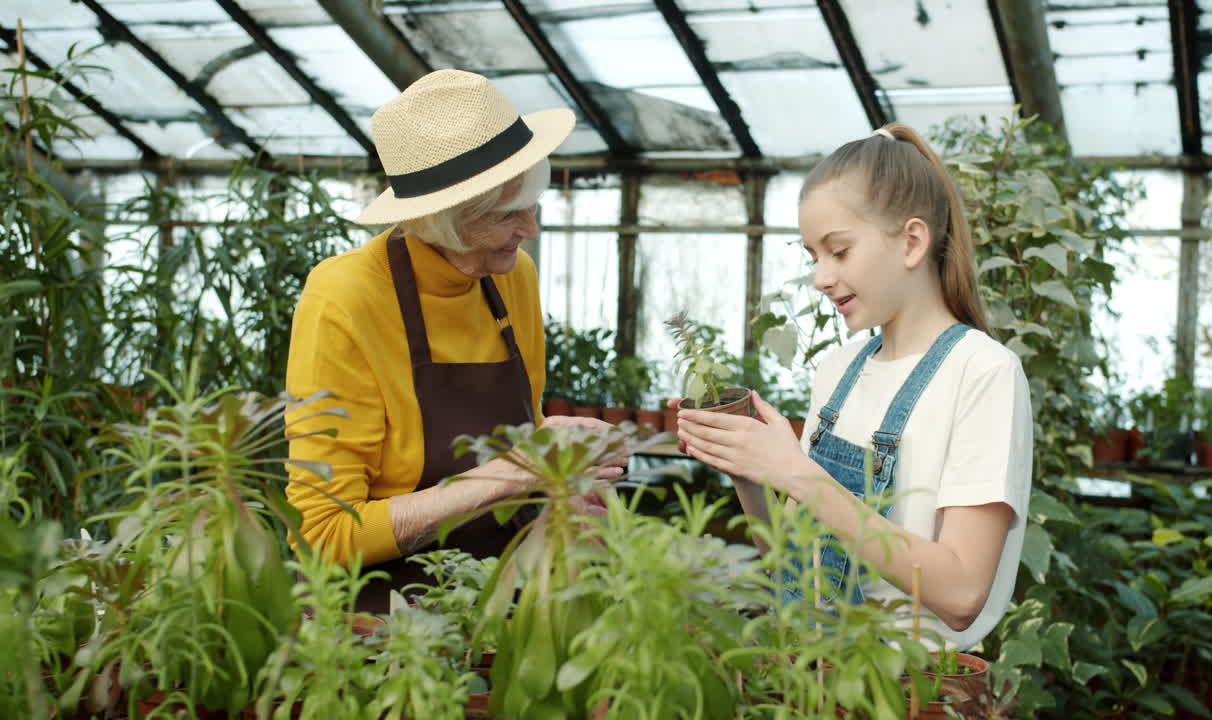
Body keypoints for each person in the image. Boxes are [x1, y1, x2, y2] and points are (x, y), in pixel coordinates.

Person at [676, 123, 1032, 650]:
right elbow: (796, 572)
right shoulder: (838, 371)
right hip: (815, 677)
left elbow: (961, 593)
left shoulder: (981, 373)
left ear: (912, 241)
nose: (820, 277)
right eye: (812, 256)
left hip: (912, 691)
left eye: (838, 252)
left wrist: (796, 473)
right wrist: (749, 472)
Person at [284, 70, 618, 613]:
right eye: (509, 213)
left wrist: (558, 490)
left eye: (532, 202)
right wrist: (508, 475)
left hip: (509, 606)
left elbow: (520, 443)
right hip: (382, 630)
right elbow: (324, 537)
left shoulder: (514, 276)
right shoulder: (345, 297)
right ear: (444, 220)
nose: (530, 228)